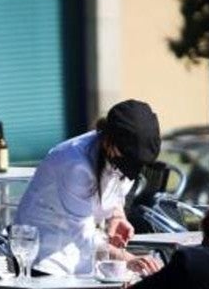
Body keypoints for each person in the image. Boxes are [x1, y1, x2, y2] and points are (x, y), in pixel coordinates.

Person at [14, 99, 164, 278]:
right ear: (109, 141)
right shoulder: (74, 163)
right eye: (127, 161)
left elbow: (115, 191)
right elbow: (82, 233)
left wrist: (117, 217)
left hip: (83, 257)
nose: (128, 168)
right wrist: (128, 259)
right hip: (44, 256)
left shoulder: (121, 156)